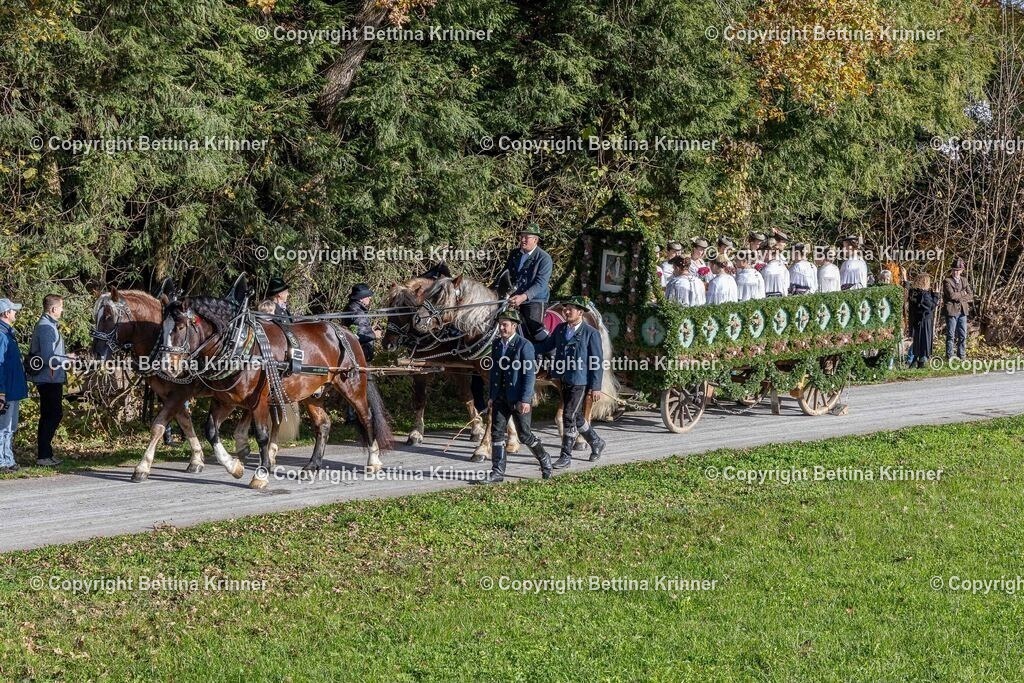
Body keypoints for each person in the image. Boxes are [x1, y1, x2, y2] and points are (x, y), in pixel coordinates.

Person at [474, 310, 551, 484]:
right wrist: (492, 396)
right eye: (500, 324)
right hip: (500, 397)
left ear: (514, 326)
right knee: (497, 433)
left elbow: (529, 375)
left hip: (518, 399)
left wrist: (525, 399)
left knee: (524, 435)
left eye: (505, 324)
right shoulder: (496, 345)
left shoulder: (525, 345)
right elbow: (494, 372)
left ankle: (545, 460)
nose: (501, 328)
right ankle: (497, 472)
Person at [535, 296, 604, 469]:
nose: (566, 311)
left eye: (570, 309)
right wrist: (524, 348)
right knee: (577, 416)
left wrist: (596, 387)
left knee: (568, 415)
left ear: (580, 312)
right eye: (565, 308)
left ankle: (565, 455)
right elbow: (546, 346)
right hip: (563, 378)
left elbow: (597, 361)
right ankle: (596, 442)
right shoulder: (559, 329)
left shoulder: (591, 333)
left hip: (580, 380)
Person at [30, 294, 70, 466]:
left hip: (51, 377)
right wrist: (68, 359)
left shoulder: (50, 325)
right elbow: (48, 357)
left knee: (52, 414)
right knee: (51, 415)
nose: (62, 310)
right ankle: (43, 456)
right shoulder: (46, 327)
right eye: (61, 307)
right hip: (49, 378)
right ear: (54, 309)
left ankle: (46, 454)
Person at [496, 224, 552, 344]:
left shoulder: (544, 258)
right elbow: (505, 274)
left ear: (535, 239)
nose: (522, 240)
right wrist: (494, 289)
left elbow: (541, 283)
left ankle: (550, 351)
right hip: (511, 298)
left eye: (526, 237)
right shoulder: (515, 254)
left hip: (534, 299)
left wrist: (523, 296)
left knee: (534, 327)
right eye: (521, 236)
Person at [0, 298, 28, 473]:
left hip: (13, 388)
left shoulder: (8, 333)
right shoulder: (1, 335)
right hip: (6, 389)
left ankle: (8, 459)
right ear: (6, 313)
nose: (15, 313)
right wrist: (1, 392)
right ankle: (2, 461)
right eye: (13, 310)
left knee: (10, 426)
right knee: (3, 427)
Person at [942, 257, 973, 361]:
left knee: (963, 334)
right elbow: (951, 296)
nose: (956, 272)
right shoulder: (947, 281)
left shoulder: (964, 280)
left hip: (963, 311)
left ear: (962, 271)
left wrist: (960, 295)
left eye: (958, 270)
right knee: (951, 335)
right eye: (954, 270)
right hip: (951, 311)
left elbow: (970, 295)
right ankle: (949, 356)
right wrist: (963, 293)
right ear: (952, 270)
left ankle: (962, 355)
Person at [907, 272, 939, 368]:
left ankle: (915, 360)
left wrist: (905, 279)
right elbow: (931, 306)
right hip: (925, 321)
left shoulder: (914, 293)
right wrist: (936, 295)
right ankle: (921, 360)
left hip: (917, 320)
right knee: (924, 340)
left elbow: (908, 289)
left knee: (918, 340)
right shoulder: (923, 295)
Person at [344, 283, 379, 363]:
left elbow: (356, 329)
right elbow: (359, 336)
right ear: (361, 298)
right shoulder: (357, 311)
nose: (370, 298)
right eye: (367, 296)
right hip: (359, 356)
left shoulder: (352, 307)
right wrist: (374, 334)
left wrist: (370, 329)